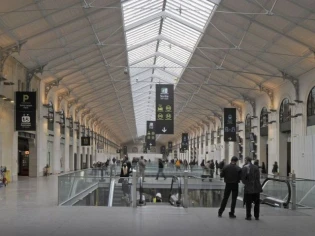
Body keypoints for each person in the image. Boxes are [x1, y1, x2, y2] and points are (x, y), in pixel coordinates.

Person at [241, 156, 262, 220]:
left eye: (245, 160)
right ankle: (256, 216)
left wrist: (246, 183)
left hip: (249, 188)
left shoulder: (245, 168)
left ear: (247, 160)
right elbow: (258, 177)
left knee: (248, 203)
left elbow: (243, 179)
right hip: (256, 188)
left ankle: (248, 216)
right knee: (257, 203)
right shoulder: (256, 167)